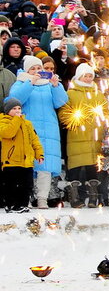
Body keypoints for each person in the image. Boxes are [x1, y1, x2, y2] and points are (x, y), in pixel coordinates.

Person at [9, 55, 67, 208]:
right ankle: (25, 198)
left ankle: (42, 198)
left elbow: (61, 102)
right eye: (32, 68)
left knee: (45, 166)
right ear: (27, 70)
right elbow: (14, 100)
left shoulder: (48, 84)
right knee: (28, 165)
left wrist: (56, 86)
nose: (36, 71)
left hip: (49, 131)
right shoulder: (20, 82)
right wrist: (30, 83)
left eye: (38, 68)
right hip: (29, 130)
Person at [58, 62, 106, 208]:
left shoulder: (98, 94)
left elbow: (106, 111)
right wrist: (75, 120)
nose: (88, 78)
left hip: (93, 137)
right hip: (76, 136)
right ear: (79, 76)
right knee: (75, 167)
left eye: (90, 76)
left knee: (92, 167)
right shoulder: (71, 93)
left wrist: (101, 120)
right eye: (85, 75)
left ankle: (93, 197)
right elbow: (63, 113)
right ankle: (74, 197)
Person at [0, 97, 41, 212]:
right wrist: (17, 120)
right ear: (7, 110)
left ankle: (23, 204)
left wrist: (39, 154)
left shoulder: (27, 124)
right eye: (14, 108)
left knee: (27, 185)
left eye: (19, 108)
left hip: (27, 161)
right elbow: (8, 133)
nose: (17, 110)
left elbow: (34, 140)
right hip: (11, 161)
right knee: (11, 185)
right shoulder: (3, 121)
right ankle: (11, 205)